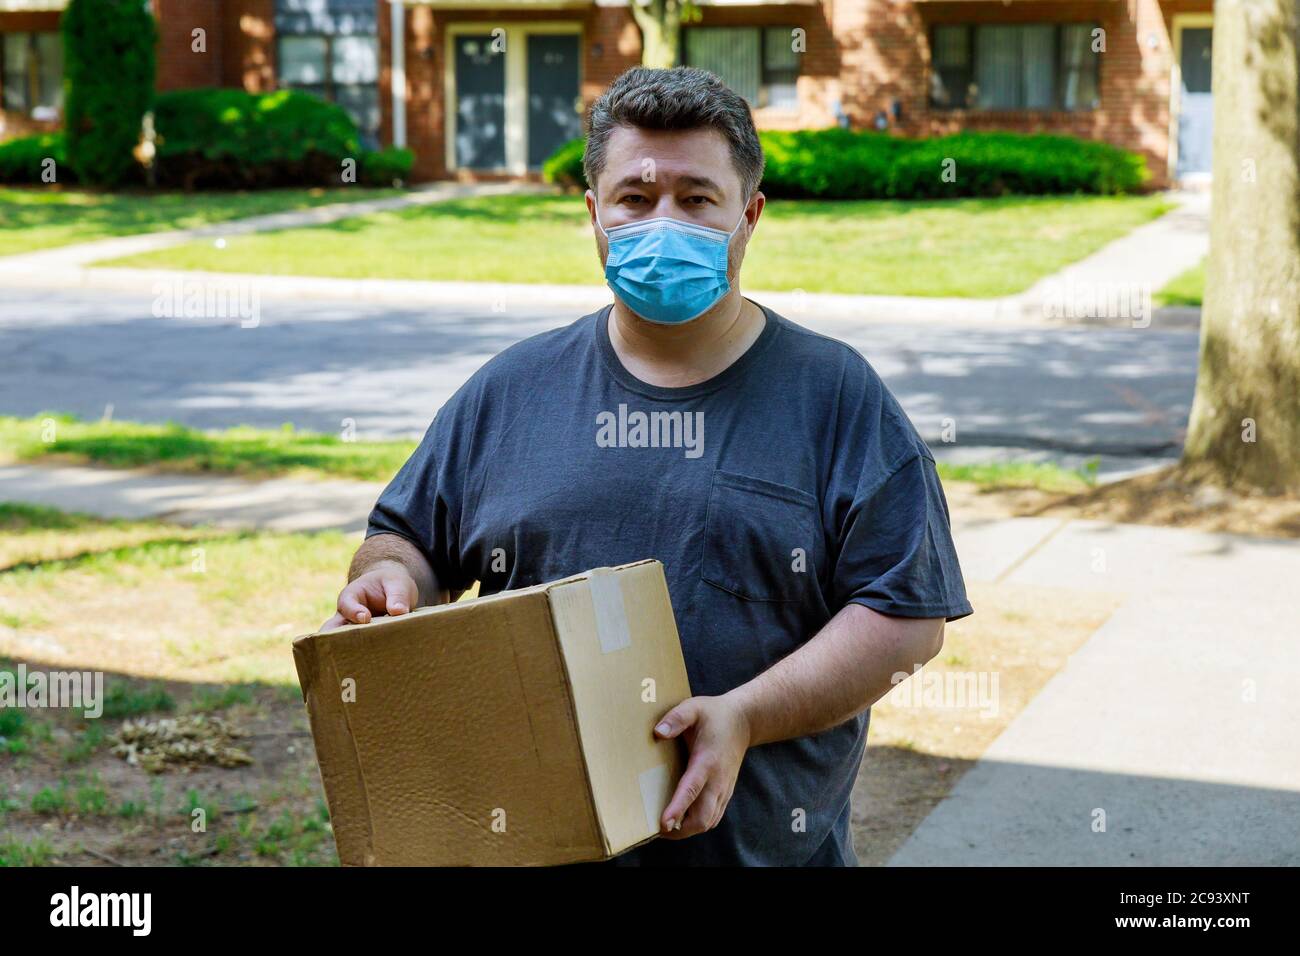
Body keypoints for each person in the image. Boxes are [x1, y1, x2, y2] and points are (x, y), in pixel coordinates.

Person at [321, 66, 972, 865]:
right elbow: (407, 540)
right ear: (594, 214)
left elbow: (906, 618)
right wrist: (390, 580)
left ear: (749, 215)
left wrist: (746, 716)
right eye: (635, 197)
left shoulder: (836, 396)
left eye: (697, 199)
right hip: (530, 848)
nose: (663, 221)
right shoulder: (511, 390)